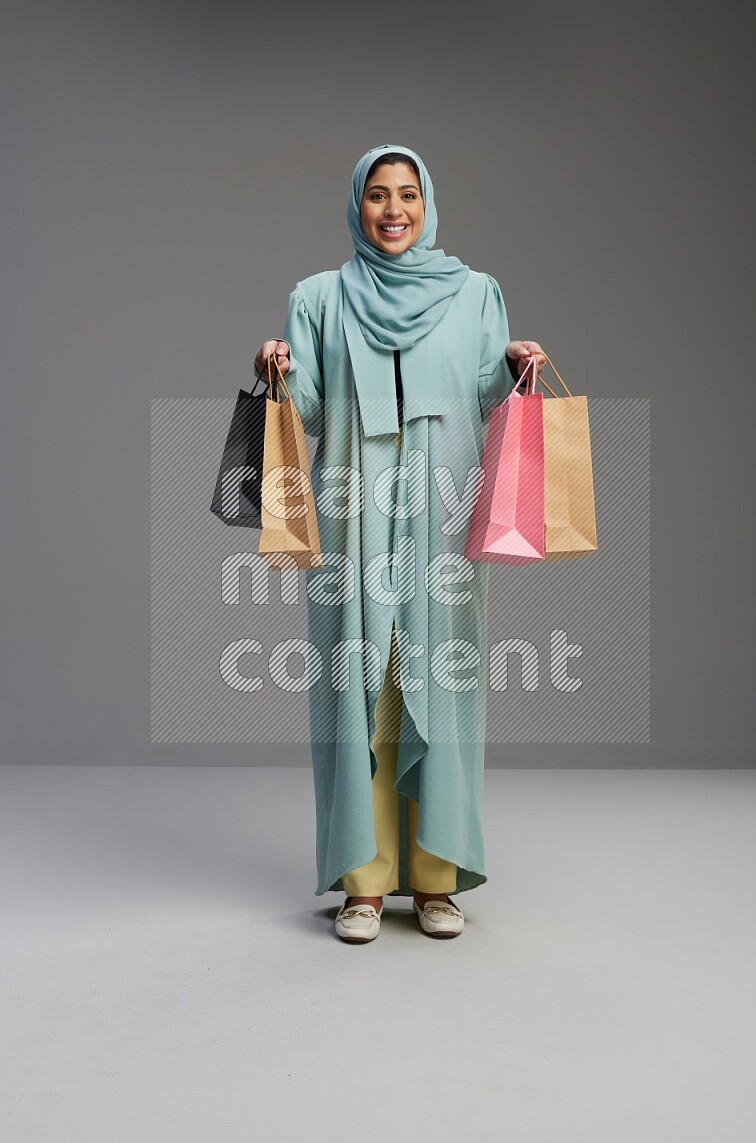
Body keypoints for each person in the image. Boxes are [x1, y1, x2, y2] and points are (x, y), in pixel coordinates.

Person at [254, 143, 546, 943]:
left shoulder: (477, 294)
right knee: (363, 684)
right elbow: (309, 408)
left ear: (427, 202)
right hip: (355, 508)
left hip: (442, 510)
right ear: (357, 204)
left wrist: (516, 364)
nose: (393, 211)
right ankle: (365, 883)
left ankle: (436, 874)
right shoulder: (317, 298)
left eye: (407, 194)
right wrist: (278, 368)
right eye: (378, 195)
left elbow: (487, 390)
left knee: (440, 682)